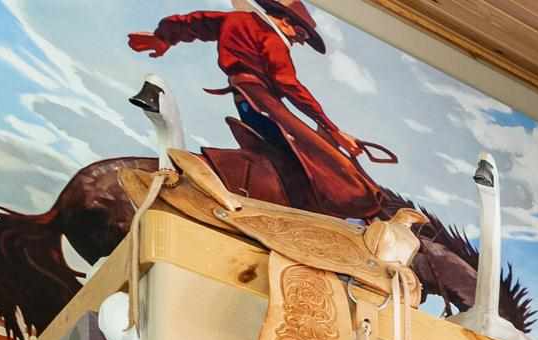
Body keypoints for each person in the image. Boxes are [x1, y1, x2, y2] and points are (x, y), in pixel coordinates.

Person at [129, 1, 396, 218]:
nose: (300, 41)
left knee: (300, 151)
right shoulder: (272, 38)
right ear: (285, 21)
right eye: (301, 35)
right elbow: (288, 83)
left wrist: (163, 37)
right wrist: (331, 128)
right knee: (326, 156)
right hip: (262, 100)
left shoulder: (234, 20)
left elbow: (194, 22)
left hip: (246, 98)